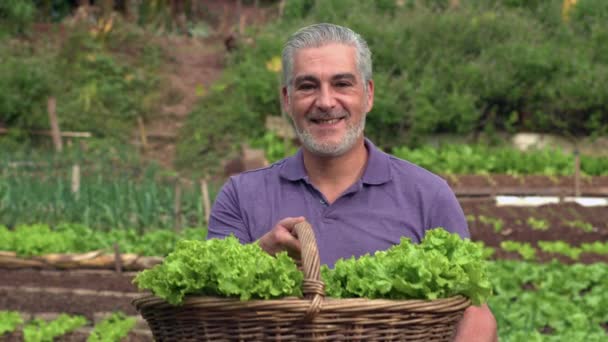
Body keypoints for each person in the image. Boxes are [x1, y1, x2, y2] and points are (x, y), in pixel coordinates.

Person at [208, 23, 497, 342]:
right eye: (308, 86)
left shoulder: (428, 195)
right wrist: (259, 256)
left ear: (368, 94)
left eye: (342, 84)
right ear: (287, 100)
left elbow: (474, 311)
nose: (326, 101)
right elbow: (208, 313)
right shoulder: (240, 196)